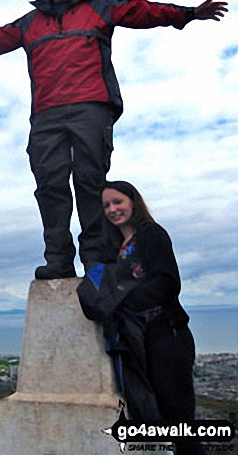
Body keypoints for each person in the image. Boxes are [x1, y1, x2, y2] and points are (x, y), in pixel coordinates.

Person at [0, 0, 228, 280]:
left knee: (90, 183)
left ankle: (96, 260)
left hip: (91, 107)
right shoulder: (30, 24)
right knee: (50, 186)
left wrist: (189, 13)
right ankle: (58, 260)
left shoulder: (100, 8)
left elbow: (142, 11)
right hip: (47, 115)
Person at [101, 180, 204, 455]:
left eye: (118, 201)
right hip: (138, 341)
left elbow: (169, 283)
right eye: (107, 205)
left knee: (179, 424)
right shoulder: (118, 248)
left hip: (166, 337)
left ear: (133, 202)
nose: (112, 209)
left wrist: (123, 301)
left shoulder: (151, 234)